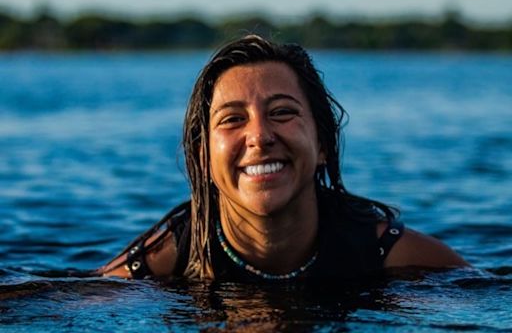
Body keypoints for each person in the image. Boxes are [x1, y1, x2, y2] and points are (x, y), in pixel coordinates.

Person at [98, 35, 467, 282]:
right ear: (204, 158)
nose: (259, 136)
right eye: (233, 119)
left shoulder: (393, 256)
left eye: (282, 113)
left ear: (322, 143)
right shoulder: (167, 262)